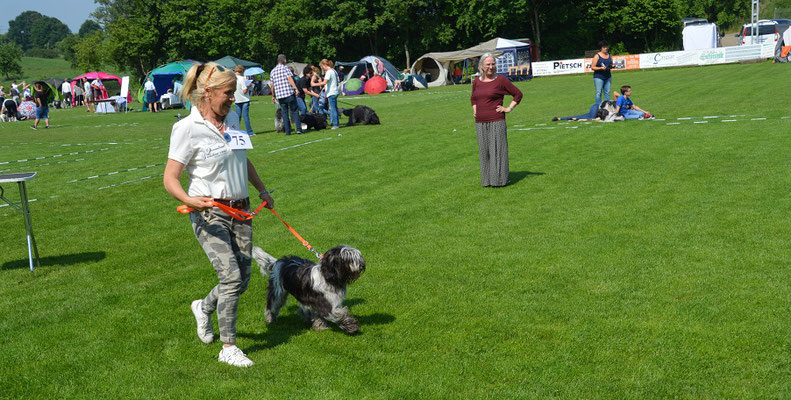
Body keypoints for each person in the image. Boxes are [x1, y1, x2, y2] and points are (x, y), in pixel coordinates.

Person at [163, 62, 274, 368]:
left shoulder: (232, 118)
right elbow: (170, 177)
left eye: (234, 93)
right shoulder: (187, 128)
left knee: (242, 280)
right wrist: (190, 200)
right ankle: (229, 347)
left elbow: (243, 160)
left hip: (242, 209)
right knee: (231, 277)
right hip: (209, 213)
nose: (232, 99)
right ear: (208, 93)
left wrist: (263, 191)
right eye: (228, 93)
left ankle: (203, 306)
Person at [470, 53, 523, 187]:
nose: (491, 67)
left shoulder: (501, 80)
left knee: (498, 151)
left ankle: (499, 180)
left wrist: (508, 108)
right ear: (481, 65)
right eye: (488, 64)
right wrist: (475, 109)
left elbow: (518, 94)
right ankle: (487, 180)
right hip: (480, 122)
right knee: (484, 152)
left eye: (493, 64)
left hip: (496, 120)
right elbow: (474, 97)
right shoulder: (476, 81)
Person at [269, 54, 303, 135]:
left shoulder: (272, 71)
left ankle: (287, 131)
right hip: (289, 93)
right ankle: (298, 129)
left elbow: (272, 85)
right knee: (294, 111)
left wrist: (273, 95)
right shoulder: (285, 68)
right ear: (284, 60)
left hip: (280, 95)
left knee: (284, 113)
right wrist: (295, 88)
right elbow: (290, 78)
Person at [318, 59, 340, 129]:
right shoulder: (334, 71)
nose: (322, 69)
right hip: (335, 91)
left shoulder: (328, 72)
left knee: (333, 109)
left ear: (324, 65)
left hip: (331, 92)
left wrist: (314, 84)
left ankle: (336, 124)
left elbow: (324, 82)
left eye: (322, 67)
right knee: (334, 108)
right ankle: (335, 123)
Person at [590, 40, 613, 105]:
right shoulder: (597, 56)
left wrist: (612, 66)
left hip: (608, 76)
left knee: (607, 92)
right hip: (599, 77)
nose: (606, 48)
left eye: (606, 47)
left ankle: (607, 107)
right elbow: (592, 67)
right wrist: (600, 68)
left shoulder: (609, 55)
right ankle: (598, 107)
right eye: (604, 47)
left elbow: (611, 63)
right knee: (598, 93)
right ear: (601, 48)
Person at [233, 65, 253, 135]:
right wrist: (248, 86)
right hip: (244, 99)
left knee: (237, 117)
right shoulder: (242, 79)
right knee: (246, 117)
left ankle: (236, 131)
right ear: (242, 71)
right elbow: (244, 91)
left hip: (237, 99)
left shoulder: (233, 78)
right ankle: (250, 132)